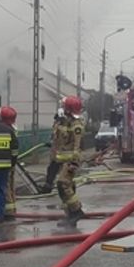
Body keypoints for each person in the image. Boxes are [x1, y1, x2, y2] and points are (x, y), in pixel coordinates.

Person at [54, 95, 88, 228]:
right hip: (63, 160)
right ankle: (70, 215)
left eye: (64, 106)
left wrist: (74, 162)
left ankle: (76, 211)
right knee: (66, 186)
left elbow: (77, 145)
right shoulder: (65, 121)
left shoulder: (76, 124)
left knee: (63, 184)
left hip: (70, 161)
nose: (62, 108)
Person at [0, 105, 19, 220]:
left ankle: (9, 211)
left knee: (6, 186)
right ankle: (12, 209)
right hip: (11, 161)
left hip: (7, 162)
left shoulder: (6, 130)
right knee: (11, 186)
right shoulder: (12, 129)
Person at [42, 105, 65, 194]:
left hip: (61, 154)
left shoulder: (61, 126)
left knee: (57, 171)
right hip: (57, 154)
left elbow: (60, 139)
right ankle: (49, 186)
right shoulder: (58, 125)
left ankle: (54, 187)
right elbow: (55, 138)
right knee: (52, 170)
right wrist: (51, 143)